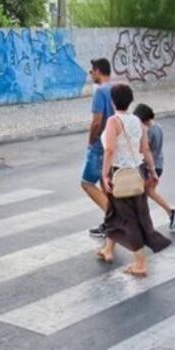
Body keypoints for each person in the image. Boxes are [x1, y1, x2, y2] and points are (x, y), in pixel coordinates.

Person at [97, 84, 170, 277]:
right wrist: (152, 170)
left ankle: (140, 263)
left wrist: (105, 175)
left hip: (119, 174)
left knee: (127, 218)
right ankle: (108, 249)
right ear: (130, 101)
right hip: (137, 173)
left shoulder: (113, 121)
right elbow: (145, 149)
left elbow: (110, 150)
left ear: (113, 101)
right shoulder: (138, 122)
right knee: (115, 214)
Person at [133, 103, 175, 230]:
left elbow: (145, 150)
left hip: (150, 166)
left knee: (142, 194)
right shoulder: (158, 127)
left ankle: (167, 213)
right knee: (148, 192)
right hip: (159, 163)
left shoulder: (148, 132)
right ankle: (170, 212)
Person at [81, 58, 114, 238]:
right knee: (105, 183)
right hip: (113, 143)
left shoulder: (100, 91)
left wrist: (90, 142)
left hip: (100, 145)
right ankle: (109, 224)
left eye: (92, 71)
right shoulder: (116, 89)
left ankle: (114, 218)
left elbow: (96, 121)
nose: (91, 74)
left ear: (99, 71)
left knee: (86, 182)